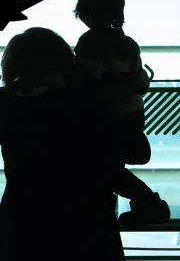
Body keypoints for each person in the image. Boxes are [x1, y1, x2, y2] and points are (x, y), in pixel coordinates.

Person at [0, 27, 153, 260]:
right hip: (90, 232)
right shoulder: (86, 106)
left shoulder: (7, 106)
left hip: (24, 230)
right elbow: (135, 154)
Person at [71, 0, 169, 225]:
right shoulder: (129, 44)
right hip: (132, 118)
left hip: (106, 121)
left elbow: (87, 85)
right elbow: (141, 82)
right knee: (109, 169)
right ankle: (148, 204)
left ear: (86, 11)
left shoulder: (90, 43)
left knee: (104, 171)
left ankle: (148, 203)